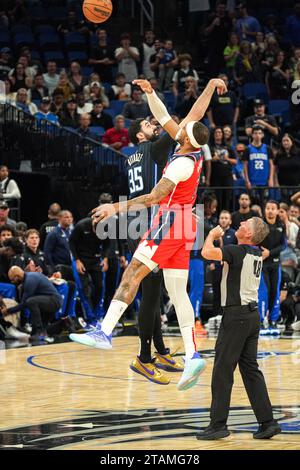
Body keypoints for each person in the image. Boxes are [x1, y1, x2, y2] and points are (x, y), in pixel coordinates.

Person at [70, 77, 227, 391]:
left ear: (185, 138)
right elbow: (183, 113)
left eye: (182, 125)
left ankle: (105, 331)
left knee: (133, 272)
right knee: (178, 292)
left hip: (169, 222)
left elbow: (155, 197)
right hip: (187, 225)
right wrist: (203, 87)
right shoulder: (190, 144)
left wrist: (116, 208)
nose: (177, 124)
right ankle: (193, 353)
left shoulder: (181, 163)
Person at [197, 218, 281, 440]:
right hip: (251, 318)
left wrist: (211, 236)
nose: (241, 223)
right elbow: (231, 260)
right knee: (251, 370)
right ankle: (268, 422)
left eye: (246, 224)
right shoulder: (255, 253)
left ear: (249, 235)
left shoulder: (237, 252)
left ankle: (218, 425)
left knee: (223, 370)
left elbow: (206, 253)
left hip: (236, 317)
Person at [5, 266, 63, 342]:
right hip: (47, 302)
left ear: (17, 277)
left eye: (12, 280)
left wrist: (8, 311)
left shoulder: (30, 280)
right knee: (33, 336)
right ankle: (63, 323)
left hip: (54, 301)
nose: (12, 282)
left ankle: (40, 332)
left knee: (31, 301)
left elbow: (24, 304)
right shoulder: (28, 278)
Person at [258, 200, 287, 329]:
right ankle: (261, 320)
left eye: (273, 208)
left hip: (275, 264)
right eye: (268, 208)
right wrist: (261, 253)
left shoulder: (281, 225)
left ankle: (273, 320)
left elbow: (284, 245)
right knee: (264, 292)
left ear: (277, 211)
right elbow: (254, 242)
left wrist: (270, 253)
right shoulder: (260, 225)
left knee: (274, 292)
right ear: (265, 210)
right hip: (262, 264)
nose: (270, 211)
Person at [211, 211, 237, 320]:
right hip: (217, 266)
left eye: (226, 218)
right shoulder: (214, 233)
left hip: (229, 266)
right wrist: (211, 262)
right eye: (222, 218)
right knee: (216, 291)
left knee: (228, 291)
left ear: (230, 221)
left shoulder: (234, 233)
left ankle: (227, 316)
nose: (223, 220)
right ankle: (216, 315)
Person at [242, 126, 274, 192]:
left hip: (265, 181)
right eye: (255, 133)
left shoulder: (267, 148)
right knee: (253, 201)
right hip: (252, 181)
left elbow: (271, 165)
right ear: (252, 135)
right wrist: (247, 180)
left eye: (259, 133)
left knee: (265, 201)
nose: (257, 135)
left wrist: (271, 179)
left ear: (263, 135)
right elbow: (245, 166)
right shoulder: (247, 149)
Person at [278, 203, 299, 269]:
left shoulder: (293, 226)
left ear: (287, 212)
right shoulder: (275, 226)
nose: (279, 214)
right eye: (278, 212)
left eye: (281, 212)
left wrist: (290, 243)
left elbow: (297, 244)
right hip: (278, 254)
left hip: (290, 253)